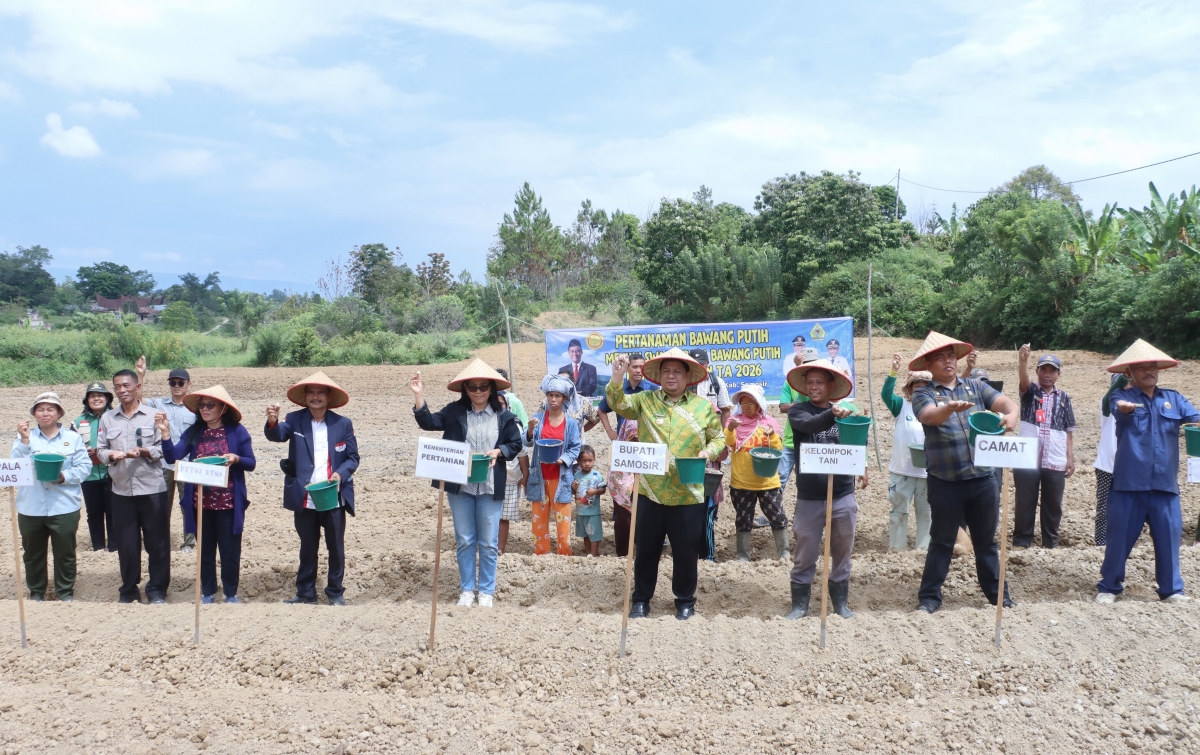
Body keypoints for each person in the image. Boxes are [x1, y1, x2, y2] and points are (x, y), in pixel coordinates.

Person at [607, 347, 724, 621]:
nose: (671, 376)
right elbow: (618, 404)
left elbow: (718, 438)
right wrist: (616, 377)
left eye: (677, 371)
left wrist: (709, 452)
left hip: (689, 492)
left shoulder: (702, 407)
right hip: (650, 491)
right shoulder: (644, 401)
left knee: (686, 552)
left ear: (687, 376)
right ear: (659, 376)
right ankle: (640, 600)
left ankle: (685, 601)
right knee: (646, 550)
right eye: (666, 371)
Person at [908, 331, 1020, 614]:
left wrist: (1011, 415)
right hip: (945, 481)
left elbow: (1007, 403)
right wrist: (948, 409)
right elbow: (928, 416)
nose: (947, 362)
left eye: (950, 357)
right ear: (929, 366)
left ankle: (999, 598)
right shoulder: (923, 392)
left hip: (983, 479)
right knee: (942, 542)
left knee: (986, 543)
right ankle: (929, 599)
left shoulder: (975, 386)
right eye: (939, 358)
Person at [1097, 340, 1200, 604]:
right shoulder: (1122, 397)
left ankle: (1172, 590)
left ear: (1159, 369)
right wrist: (1124, 409)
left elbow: (1195, 418)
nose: (1148, 371)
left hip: (1165, 485)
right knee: (1118, 539)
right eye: (1141, 367)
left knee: (1169, 539)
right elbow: (1117, 409)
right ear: (1130, 372)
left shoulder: (1174, 399)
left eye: (1152, 366)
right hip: (1128, 484)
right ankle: (1109, 587)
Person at [412, 360, 522, 606]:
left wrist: (499, 451)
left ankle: (486, 592)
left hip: (491, 485)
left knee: (489, 542)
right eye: (472, 387)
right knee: (464, 539)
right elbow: (428, 422)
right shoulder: (454, 412)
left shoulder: (504, 416)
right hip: (460, 487)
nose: (478, 391)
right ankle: (466, 590)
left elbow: (516, 444)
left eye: (483, 386)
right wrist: (419, 396)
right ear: (466, 390)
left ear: (492, 388)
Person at [266, 371, 360, 606]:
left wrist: (340, 474)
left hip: (332, 496)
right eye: (311, 392)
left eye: (320, 392)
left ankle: (335, 592)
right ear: (305, 396)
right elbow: (277, 435)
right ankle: (306, 592)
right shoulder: (294, 420)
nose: (315, 396)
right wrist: (272, 421)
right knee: (307, 546)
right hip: (305, 496)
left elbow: (353, 457)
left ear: (329, 397)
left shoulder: (342, 423)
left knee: (336, 547)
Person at [158, 386, 256, 604]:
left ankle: (231, 593)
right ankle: (208, 592)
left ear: (223, 408)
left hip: (229, 503)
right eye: (201, 405)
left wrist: (236, 458)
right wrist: (165, 433)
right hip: (200, 504)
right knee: (205, 552)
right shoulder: (194, 432)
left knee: (230, 552)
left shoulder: (237, 431)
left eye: (210, 405)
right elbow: (173, 455)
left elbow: (251, 462)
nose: (204, 409)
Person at [784, 361, 864, 620]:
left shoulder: (845, 414)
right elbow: (810, 425)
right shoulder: (798, 411)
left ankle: (840, 604)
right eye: (810, 383)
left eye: (820, 382)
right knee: (805, 551)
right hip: (809, 497)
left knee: (842, 550)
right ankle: (800, 606)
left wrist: (862, 464)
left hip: (842, 494)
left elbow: (856, 442)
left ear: (831, 386)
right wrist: (833, 415)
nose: (814, 387)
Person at [97, 369, 170, 603]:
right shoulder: (107, 418)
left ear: (138, 387)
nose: (122, 390)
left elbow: (165, 448)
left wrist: (144, 451)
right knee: (127, 545)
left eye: (126, 385)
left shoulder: (154, 415)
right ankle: (129, 590)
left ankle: (157, 589)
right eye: (117, 386)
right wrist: (111, 454)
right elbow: (100, 450)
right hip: (121, 490)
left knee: (157, 544)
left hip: (152, 489)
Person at [12, 393, 90, 601]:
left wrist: (64, 476)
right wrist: (25, 441)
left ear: (59, 413)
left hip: (63, 506)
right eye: (40, 409)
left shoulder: (72, 439)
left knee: (65, 553)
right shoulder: (23, 439)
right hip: (31, 506)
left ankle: (64, 592)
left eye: (50, 409)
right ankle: (37, 592)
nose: (45, 413)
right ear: (34, 414)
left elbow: (84, 467)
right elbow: (16, 468)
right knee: (33, 553)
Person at [1013, 347, 1076, 549]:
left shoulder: (1064, 398)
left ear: (1058, 374)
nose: (1047, 374)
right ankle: (1022, 540)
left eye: (1052, 371)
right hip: (1027, 458)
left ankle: (1051, 541)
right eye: (1044, 370)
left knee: (1053, 504)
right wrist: (1023, 361)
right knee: (1025, 501)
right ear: (1038, 372)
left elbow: (1068, 430)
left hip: (1055, 457)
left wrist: (1070, 458)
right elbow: (1023, 380)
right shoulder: (1030, 392)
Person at [135, 358, 197, 552]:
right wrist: (140, 375)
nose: (176, 386)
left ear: (188, 384)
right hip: (164, 465)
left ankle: (189, 542)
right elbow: (138, 400)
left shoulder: (195, 406)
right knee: (161, 506)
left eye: (181, 382)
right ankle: (161, 541)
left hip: (188, 465)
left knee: (188, 505)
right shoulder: (159, 404)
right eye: (173, 382)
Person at [724, 383, 789, 562]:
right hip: (741, 482)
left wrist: (772, 436)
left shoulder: (769, 423)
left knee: (777, 516)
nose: (746, 406)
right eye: (743, 402)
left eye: (750, 403)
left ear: (759, 404)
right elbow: (729, 442)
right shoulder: (734, 422)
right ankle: (742, 556)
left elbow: (778, 448)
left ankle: (784, 553)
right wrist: (730, 429)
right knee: (743, 518)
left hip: (767, 482)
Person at [526, 374, 583, 556]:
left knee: (563, 519)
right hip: (540, 476)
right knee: (539, 519)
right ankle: (541, 553)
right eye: (550, 395)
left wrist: (563, 459)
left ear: (564, 398)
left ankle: (564, 553)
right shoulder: (538, 418)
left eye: (557, 396)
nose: (553, 399)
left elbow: (575, 447)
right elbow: (527, 442)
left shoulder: (571, 423)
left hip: (561, 477)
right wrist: (529, 430)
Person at [881, 354, 931, 551]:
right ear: (910, 390)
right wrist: (894, 371)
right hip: (902, 471)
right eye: (917, 387)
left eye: (925, 387)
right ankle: (897, 551)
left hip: (927, 472)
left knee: (926, 513)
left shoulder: (936, 409)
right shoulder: (902, 406)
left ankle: (923, 550)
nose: (921, 391)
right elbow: (886, 394)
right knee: (899, 512)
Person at [73, 382, 116, 552]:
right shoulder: (77, 422)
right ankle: (97, 547)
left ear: (107, 398)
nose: (96, 399)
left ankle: (114, 546)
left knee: (113, 511)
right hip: (88, 475)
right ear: (87, 400)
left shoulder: (116, 417)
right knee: (93, 512)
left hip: (112, 473)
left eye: (100, 395)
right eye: (92, 396)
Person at [1094, 374, 1128, 547]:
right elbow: (1112, 393)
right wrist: (1125, 374)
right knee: (1104, 508)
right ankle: (1101, 542)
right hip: (1107, 464)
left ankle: (1124, 540)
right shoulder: (1106, 403)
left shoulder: (1135, 404)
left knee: (1128, 506)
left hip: (1129, 466)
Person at [777, 348, 817, 495]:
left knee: (810, 481)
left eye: (811, 364)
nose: (808, 367)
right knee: (779, 479)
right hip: (790, 439)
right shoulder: (790, 382)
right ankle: (772, 515)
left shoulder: (820, 385)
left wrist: (798, 407)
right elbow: (783, 407)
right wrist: (806, 407)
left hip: (813, 441)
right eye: (804, 364)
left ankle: (805, 515)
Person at [592, 352, 657, 441]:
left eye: (641, 367)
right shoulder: (618, 389)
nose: (638, 370)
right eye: (635, 367)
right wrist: (609, 431)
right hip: (623, 440)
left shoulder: (652, 389)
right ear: (626, 368)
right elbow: (601, 409)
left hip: (646, 441)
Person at [496, 391, 528, 556]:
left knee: (503, 517)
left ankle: (500, 550)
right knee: (487, 515)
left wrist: (525, 476)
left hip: (509, 477)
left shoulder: (513, 424)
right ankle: (488, 547)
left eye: (501, 403)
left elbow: (522, 453)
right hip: (488, 477)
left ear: (507, 405)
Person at [607, 409, 640, 558]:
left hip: (648, 474)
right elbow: (634, 438)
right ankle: (623, 554)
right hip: (623, 477)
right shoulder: (632, 420)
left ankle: (645, 553)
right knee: (624, 519)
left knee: (646, 518)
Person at [571, 445, 606, 557]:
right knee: (585, 534)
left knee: (594, 534)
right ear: (578, 461)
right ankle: (588, 553)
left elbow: (603, 489)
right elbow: (573, 492)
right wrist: (574, 488)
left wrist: (594, 492)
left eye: (590, 461)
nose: (587, 463)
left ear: (594, 460)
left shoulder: (597, 475)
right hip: (581, 511)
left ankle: (594, 555)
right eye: (584, 461)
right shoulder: (576, 475)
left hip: (593, 511)